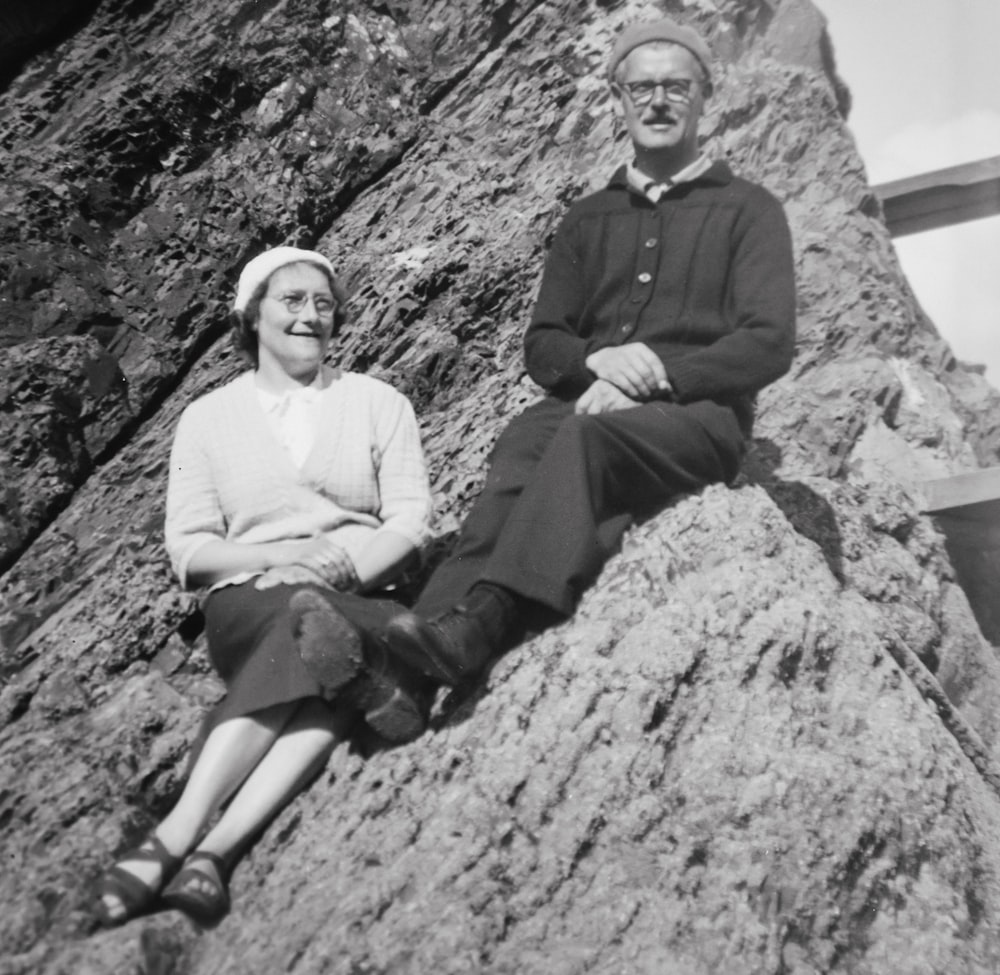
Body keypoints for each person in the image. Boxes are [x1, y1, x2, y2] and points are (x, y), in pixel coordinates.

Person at [365, 16, 799, 684]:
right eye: (641, 88)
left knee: (586, 441)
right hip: (584, 399)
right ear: (618, 100)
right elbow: (544, 345)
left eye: (676, 88)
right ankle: (409, 669)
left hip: (697, 419)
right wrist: (596, 360)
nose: (657, 101)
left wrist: (653, 378)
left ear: (705, 97)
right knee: (519, 448)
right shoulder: (587, 218)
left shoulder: (750, 209)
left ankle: (484, 621)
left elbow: (768, 343)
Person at [94, 246, 432, 927]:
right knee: (319, 638)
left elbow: (411, 522)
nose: (311, 316)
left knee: (333, 650)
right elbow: (190, 549)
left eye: (324, 304)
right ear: (252, 316)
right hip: (248, 598)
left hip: (357, 588)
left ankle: (202, 848)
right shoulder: (207, 418)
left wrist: (342, 569)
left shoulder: (377, 402)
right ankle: (190, 836)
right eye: (293, 300)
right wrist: (285, 555)